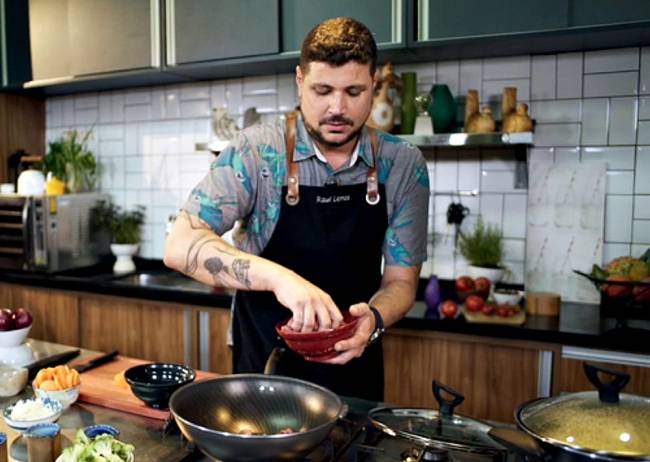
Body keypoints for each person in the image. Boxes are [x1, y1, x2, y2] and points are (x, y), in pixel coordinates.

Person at [164, 17, 429, 401]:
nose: (337, 108)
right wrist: (281, 280)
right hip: (263, 367)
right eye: (323, 90)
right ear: (300, 81)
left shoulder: (402, 164)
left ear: (375, 84)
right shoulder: (257, 152)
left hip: (356, 372)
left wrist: (372, 321)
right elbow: (179, 245)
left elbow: (401, 284)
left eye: (354, 91)